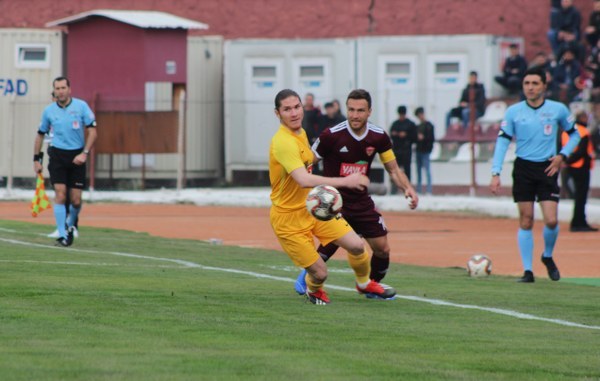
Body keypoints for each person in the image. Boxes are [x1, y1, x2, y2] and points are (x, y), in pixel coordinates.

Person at [269, 88, 395, 305]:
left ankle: (364, 283)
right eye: (287, 109)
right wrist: (346, 181)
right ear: (277, 113)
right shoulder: (283, 142)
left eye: (297, 107)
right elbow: (304, 180)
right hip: (288, 219)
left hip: (311, 210)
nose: (294, 113)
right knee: (320, 274)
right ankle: (314, 289)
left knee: (357, 246)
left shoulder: (300, 133)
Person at [293, 90, 419, 296]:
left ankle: (369, 286)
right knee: (332, 243)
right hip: (333, 202)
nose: (355, 115)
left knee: (382, 248)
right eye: (351, 110)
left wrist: (408, 189)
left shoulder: (378, 136)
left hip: (361, 202)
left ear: (369, 111)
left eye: (360, 110)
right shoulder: (331, 135)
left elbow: (393, 169)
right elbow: (307, 162)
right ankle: (304, 279)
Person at [489, 66, 581, 283]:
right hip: (523, 168)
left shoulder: (558, 109)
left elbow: (575, 135)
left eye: (534, 83)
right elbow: (503, 142)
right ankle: (528, 271)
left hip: (547, 168)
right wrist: (496, 172)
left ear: (544, 86)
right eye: (526, 83)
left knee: (551, 220)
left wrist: (562, 156)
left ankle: (547, 256)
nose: (530, 88)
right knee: (526, 220)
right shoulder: (513, 112)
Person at [33, 77, 97, 247]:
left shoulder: (81, 106)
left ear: (69, 89)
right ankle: (62, 234)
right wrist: (36, 159)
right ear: (54, 90)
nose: (60, 91)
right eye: (57, 88)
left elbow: (93, 132)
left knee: (76, 200)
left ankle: (70, 226)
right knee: (60, 194)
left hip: (77, 156)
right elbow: (40, 134)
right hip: (57, 156)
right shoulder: (48, 111)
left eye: (63, 87)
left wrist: (84, 153)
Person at [562, 111, 598, 232]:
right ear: (582, 118)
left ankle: (578, 221)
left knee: (577, 195)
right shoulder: (583, 131)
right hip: (581, 167)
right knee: (581, 196)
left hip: (569, 166)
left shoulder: (566, 132)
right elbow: (582, 151)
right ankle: (579, 222)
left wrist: (565, 161)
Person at [389, 105, 417, 185]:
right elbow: (391, 134)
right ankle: (394, 187)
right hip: (397, 150)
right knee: (395, 170)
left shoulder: (410, 124)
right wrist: (396, 134)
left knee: (407, 170)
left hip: (406, 150)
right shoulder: (395, 124)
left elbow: (414, 138)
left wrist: (406, 135)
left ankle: (407, 186)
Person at [414, 107, 435, 195]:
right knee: (418, 171)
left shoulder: (429, 125)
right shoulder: (418, 126)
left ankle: (429, 190)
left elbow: (431, 138)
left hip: (425, 150)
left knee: (427, 170)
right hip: (419, 150)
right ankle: (419, 189)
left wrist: (423, 138)